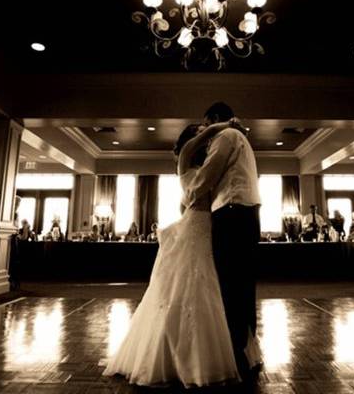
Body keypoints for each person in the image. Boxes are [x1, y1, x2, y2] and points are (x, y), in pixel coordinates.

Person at [107, 116, 253, 387]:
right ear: (190, 138)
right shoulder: (185, 158)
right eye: (199, 132)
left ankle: (221, 350)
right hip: (195, 229)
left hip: (211, 228)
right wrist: (226, 125)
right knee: (186, 287)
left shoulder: (209, 164)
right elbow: (198, 147)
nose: (204, 135)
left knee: (213, 288)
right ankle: (177, 357)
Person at [186, 102, 262, 378]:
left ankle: (236, 353)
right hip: (246, 212)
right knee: (243, 284)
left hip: (232, 212)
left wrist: (190, 197)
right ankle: (247, 350)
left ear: (215, 119)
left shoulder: (226, 136)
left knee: (231, 284)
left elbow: (209, 172)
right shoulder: (241, 138)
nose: (204, 129)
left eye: (205, 123)